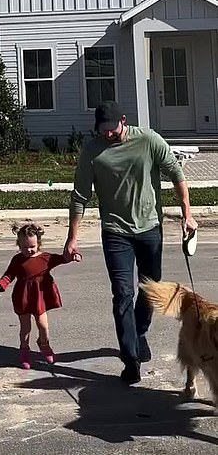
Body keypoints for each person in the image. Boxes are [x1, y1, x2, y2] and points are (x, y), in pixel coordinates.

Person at [64, 100, 198, 385]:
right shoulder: (92, 150)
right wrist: (72, 238)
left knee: (150, 289)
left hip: (150, 227)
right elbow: (79, 196)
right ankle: (131, 359)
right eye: (103, 130)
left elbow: (176, 173)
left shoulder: (148, 140)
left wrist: (188, 215)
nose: (108, 135)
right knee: (123, 293)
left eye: (112, 129)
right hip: (115, 232)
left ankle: (139, 333)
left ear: (123, 121)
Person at [0, 223, 81, 369]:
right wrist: (0, 285)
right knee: (25, 328)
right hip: (23, 297)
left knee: (43, 326)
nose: (29, 250)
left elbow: (63, 258)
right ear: (19, 244)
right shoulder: (17, 260)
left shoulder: (46, 258)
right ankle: (24, 351)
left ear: (38, 243)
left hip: (40, 297)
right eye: (24, 247)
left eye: (32, 246)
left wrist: (74, 255)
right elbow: (8, 276)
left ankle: (43, 344)